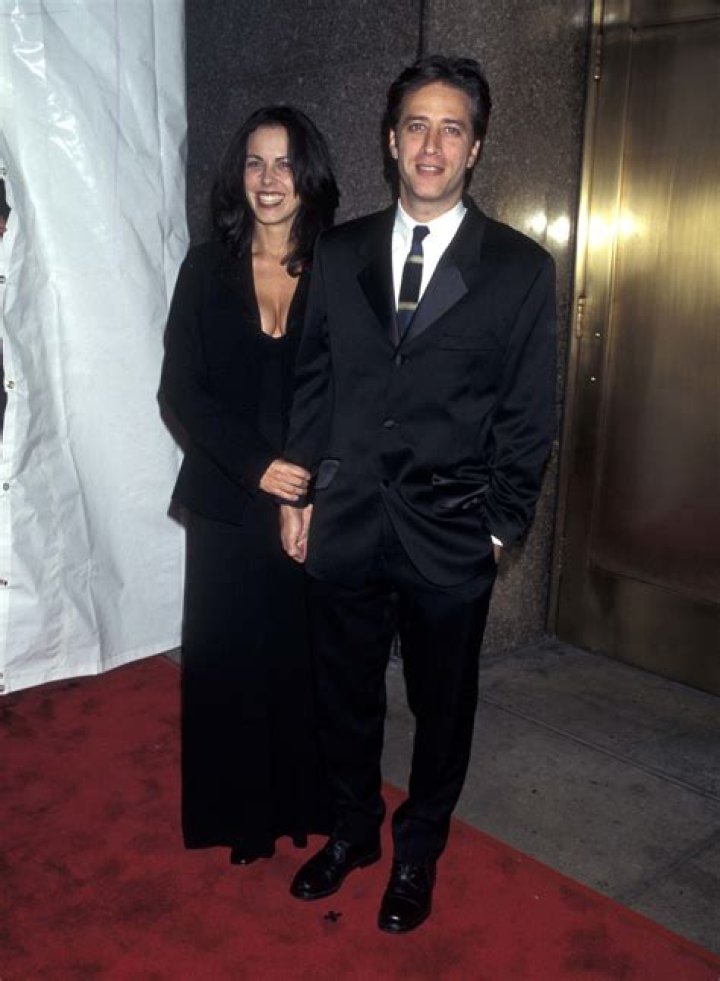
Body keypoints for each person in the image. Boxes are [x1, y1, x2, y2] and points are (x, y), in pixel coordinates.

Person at [281, 56, 556, 932]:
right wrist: (298, 492)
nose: (430, 145)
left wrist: (500, 528)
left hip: (452, 534)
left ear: (474, 148)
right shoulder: (340, 251)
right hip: (347, 521)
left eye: (450, 129)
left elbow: (528, 412)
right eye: (415, 126)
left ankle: (417, 851)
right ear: (390, 140)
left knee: (443, 710)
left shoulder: (519, 268)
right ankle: (353, 830)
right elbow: (315, 381)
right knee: (343, 695)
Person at [160, 106, 339, 865]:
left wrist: (305, 486)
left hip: (310, 497)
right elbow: (181, 389)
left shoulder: (340, 267)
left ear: (309, 175)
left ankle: (301, 803)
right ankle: (238, 817)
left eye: (285, 163)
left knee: (301, 659)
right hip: (227, 499)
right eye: (255, 163)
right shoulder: (206, 267)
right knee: (227, 657)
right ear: (238, 175)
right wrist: (256, 466)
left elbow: (350, 387)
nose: (269, 180)